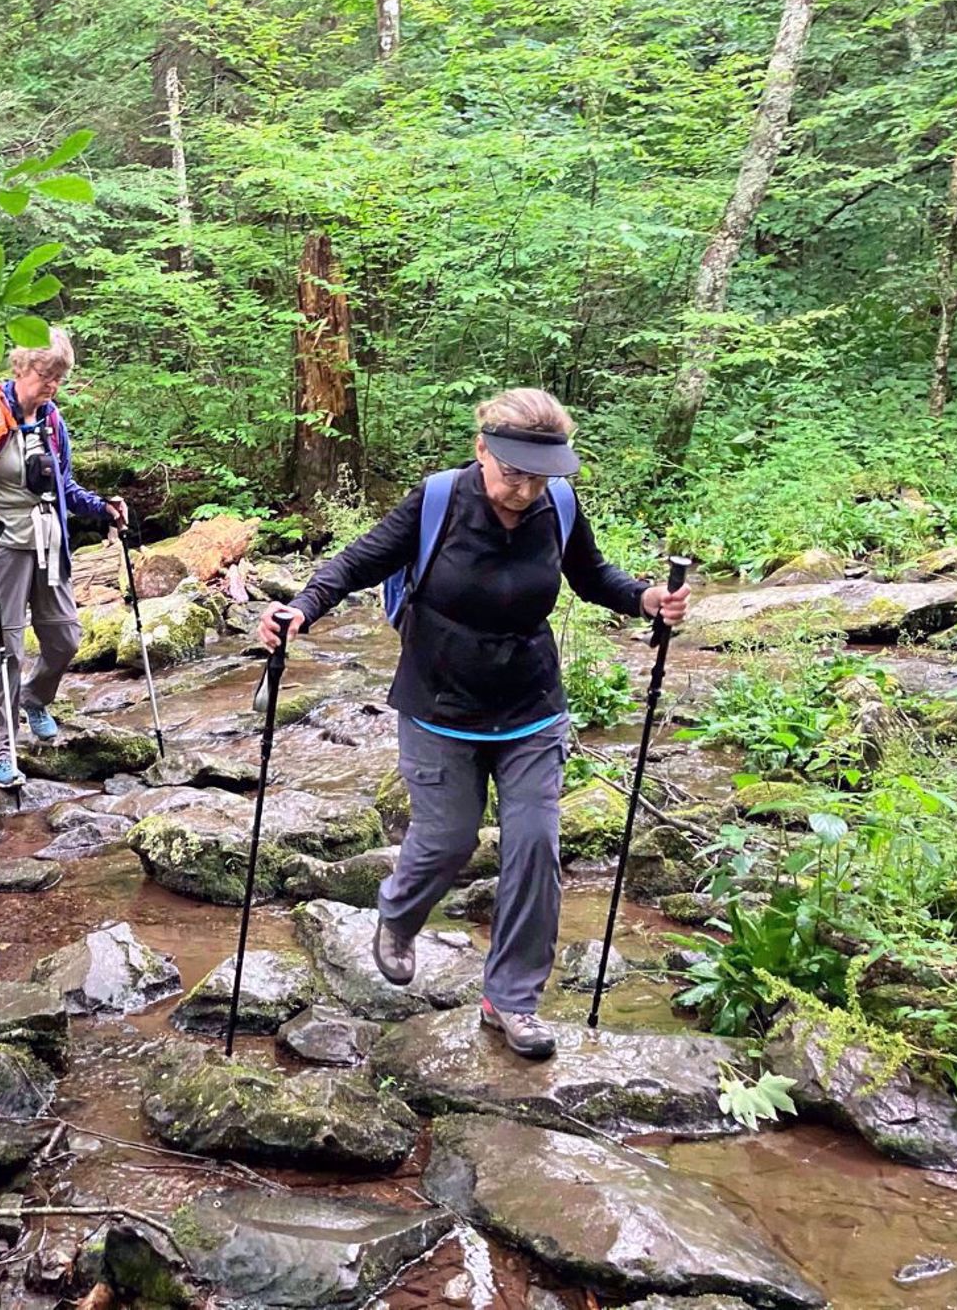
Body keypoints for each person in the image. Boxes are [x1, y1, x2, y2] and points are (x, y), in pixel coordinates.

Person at [258, 388, 690, 1061]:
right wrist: (302, 608)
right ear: (481, 448)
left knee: (535, 846)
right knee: (448, 838)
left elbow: (592, 575)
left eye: (538, 476)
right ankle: (397, 917)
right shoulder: (437, 500)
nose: (524, 489)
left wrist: (645, 598)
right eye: (513, 471)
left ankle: (510, 1000)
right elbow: (357, 561)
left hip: (529, 704)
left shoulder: (559, 506)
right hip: (439, 702)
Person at [0, 328, 123, 789]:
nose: (52, 384)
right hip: (1, 550)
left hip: (48, 545)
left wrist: (102, 508)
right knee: (3, 652)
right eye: (46, 374)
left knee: (65, 639)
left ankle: (36, 698)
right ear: (21, 367)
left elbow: (65, 488)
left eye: (60, 376)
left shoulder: (53, 425)